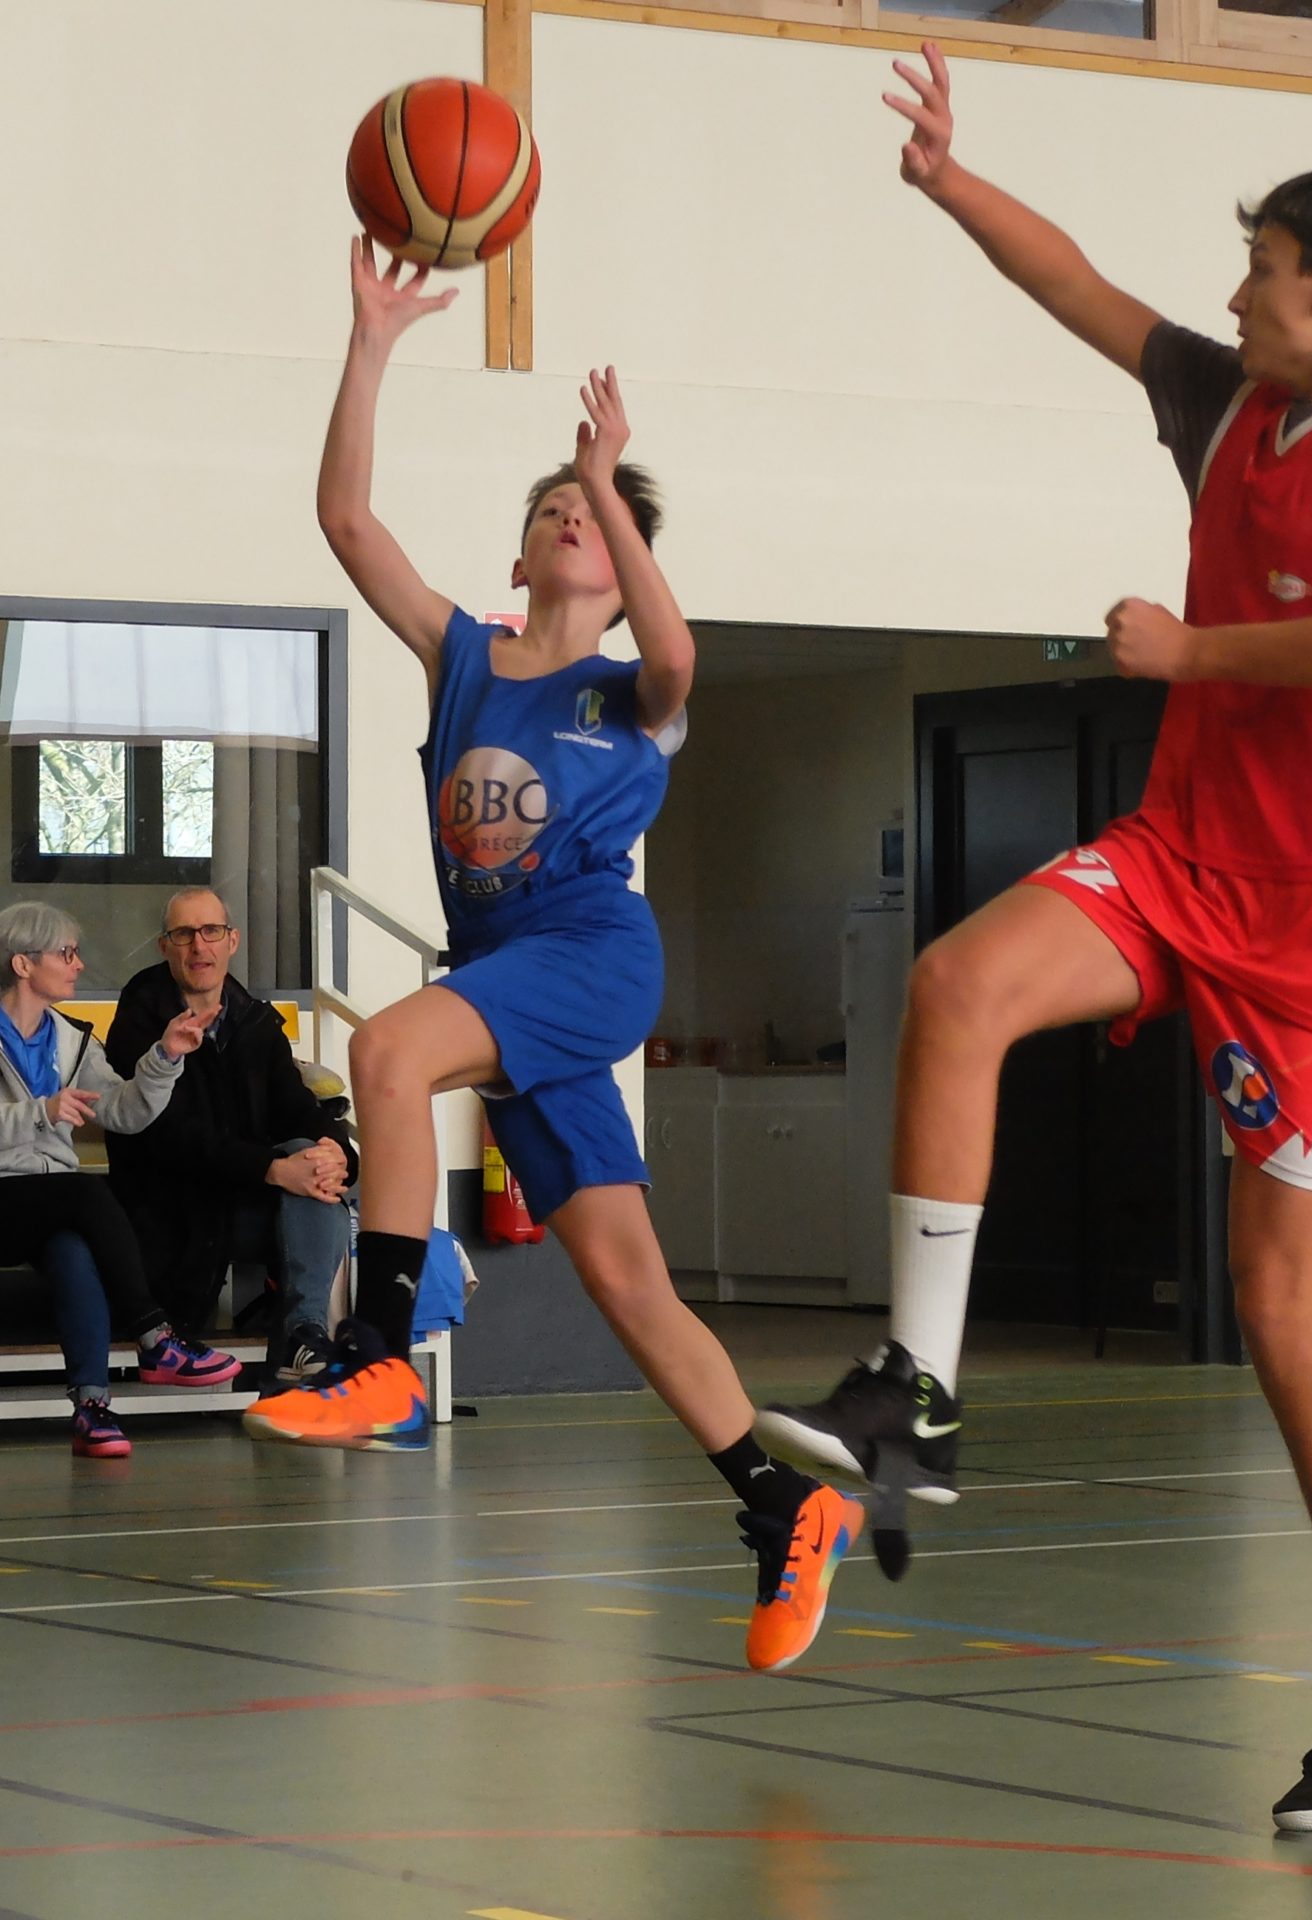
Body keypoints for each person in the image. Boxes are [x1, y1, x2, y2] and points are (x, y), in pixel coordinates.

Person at [757, 46, 1312, 1832]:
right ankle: (918, 1392)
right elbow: (1079, 287)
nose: (1232, 295)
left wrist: (1194, 654)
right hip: (1182, 855)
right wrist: (948, 181)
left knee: (1285, 1312)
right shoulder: (1228, 405)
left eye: (1260, 268)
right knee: (957, 984)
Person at [238, 238, 856, 1677]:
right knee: (629, 1284)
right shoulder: (464, 654)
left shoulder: (633, 692)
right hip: (504, 970)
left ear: (621, 564)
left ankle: (380, 1357)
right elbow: (345, 518)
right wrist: (371, 341)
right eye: (553, 509)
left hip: (586, 954)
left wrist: (611, 480)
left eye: (594, 513)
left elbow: (682, 654)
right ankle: (784, 1504)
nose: (573, 516)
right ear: (519, 558)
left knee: (386, 1050)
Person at [0, 901, 229, 1454]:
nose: (79, 964)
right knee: (85, 1192)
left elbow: (124, 1112)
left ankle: (93, 1407)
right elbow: (45, 1117)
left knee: (73, 1247)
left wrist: (165, 1058)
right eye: (66, 953)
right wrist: (40, 1112)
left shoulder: (72, 1039)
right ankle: (154, 1335)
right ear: (23, 964)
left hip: (45, 1201)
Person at [105, 888, 357, 1381]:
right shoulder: (141, 1021)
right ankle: (303, 1342)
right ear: (164, 947)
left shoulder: (254, 1020)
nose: (199, 946)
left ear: (232, 941)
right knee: (305, 1176)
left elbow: (296, 1106)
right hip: (169, 1209)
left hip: (241, 1198)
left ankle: (304, 1335)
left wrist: (338, 1154)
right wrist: (272, 1169)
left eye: (211, 931)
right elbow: (168, 1136)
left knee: (316, 1165)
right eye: (184, 934)